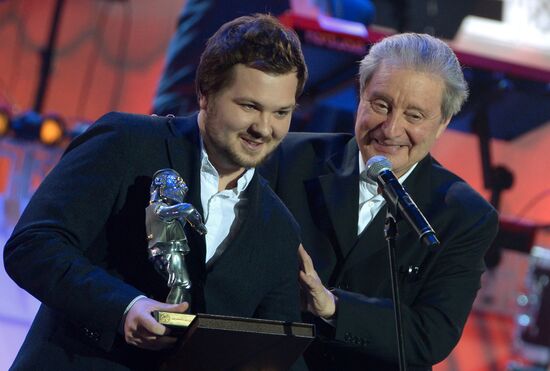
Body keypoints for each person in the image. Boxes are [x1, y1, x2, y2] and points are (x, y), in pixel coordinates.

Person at [3, 14, 307, 370]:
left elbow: (275, 353)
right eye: (249, 106)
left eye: (281, 112)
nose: (264, 128)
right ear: (205, 93)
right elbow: (33, 245)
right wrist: (124, 307)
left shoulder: (280, 229)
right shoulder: (126, 142)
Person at [260, 32, 499, 370]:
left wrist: (332, 306)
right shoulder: (286, 159)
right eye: (381, 105)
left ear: (443, 123)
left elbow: (430, 336)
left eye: (414, 116)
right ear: (360, 95)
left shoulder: (464, 215)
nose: (390, 129)